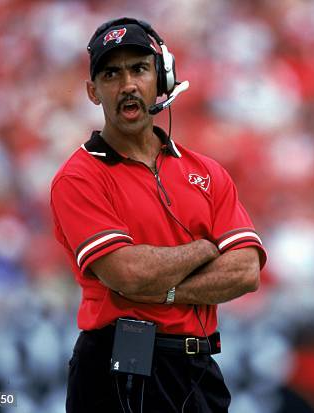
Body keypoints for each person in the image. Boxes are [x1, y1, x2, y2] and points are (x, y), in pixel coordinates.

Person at [50, 17, 266, 413]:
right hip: (118, 372)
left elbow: (245, 271)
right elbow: (128, 274)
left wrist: (166, 290)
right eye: (112, 73)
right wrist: (204, 248)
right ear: (93, 92)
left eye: (139, 68)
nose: (127, 84)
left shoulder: (207, 171)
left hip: (198, 369)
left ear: (162, 78)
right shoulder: (77, 178)